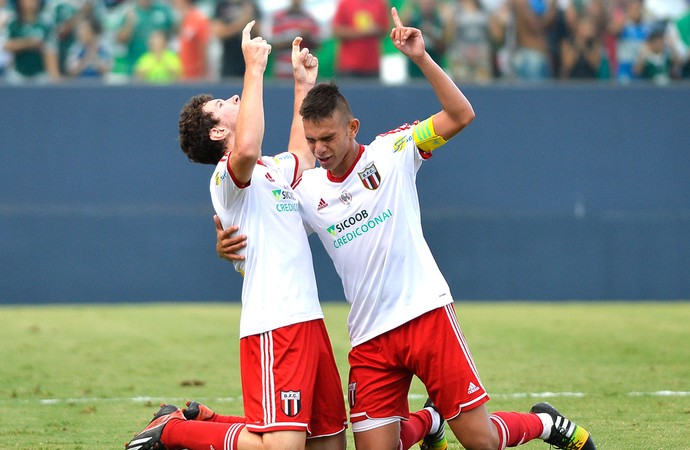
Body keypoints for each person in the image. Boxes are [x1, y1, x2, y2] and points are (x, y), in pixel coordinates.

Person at [218, 7, 598, 450]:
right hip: (369, 338)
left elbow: (460, 115)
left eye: (329, 139)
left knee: (481, 442)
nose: (319, 150)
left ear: (352, 128)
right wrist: (227, 241)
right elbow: (272, 225)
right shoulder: (306, 190)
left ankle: (545, 424)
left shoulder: (393, 151)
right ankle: (427, 423)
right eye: (313, 140)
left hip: (426, 316)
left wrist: (421, 57)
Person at [124, 22, 348, 450]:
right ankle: (174, 431)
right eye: (221, 106)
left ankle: (203, 418)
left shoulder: (268, 169)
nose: (232, 100)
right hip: (273, 324)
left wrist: (304, 84)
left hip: (309, 322)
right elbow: (246, 147)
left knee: (329, 446)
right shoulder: (227, 176)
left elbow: (302, 156)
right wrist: (254, 67)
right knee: (281, 447)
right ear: (217, 133)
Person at [3, 0, 61, 83]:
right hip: (17, 73)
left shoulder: (46, 23)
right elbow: (5, 46)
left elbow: (51, 50)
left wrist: (55, 75)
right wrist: (28, 43)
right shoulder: (12, 22)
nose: (30, 3)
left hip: (40, 74)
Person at [114, 0, 176, 77]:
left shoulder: (163, 10)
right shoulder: (130, 11)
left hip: (160, 66)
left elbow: (176, 32)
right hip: (135, 64)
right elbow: (119, 40)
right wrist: (129, 24)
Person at [331, 0, 389, 78]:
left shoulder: (379, 4)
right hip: (349, 66)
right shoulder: (345, 3)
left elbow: (385, 29)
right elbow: (337, 31)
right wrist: (363, 32)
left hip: (372, 66)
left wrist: (374, 30)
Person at [270, 0, 320, 80]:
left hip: (305, 70)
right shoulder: (279, 18)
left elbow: (318, 44)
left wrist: (308, 37)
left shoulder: (310, 19)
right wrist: (296, 36)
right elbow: (274, 43)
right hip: (284, 70)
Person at [213, 0, 260, 79]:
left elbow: (259, 32)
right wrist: (243, 21)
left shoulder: (251, 5)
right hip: (229, 62)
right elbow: (219, 32)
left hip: (250, 60)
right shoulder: (222, 5)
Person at [172, 0, 211, 81]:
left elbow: (204, 46)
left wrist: (204, 72)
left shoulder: (198, 18)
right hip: (184, 72)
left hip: (195, 74)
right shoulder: (185, 18)